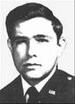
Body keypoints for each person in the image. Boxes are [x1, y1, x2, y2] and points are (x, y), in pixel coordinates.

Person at [0, 2, 74, 103]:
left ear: (60, 46)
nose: (30, 52)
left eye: (41, 40)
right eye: (21, 41)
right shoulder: (3, 96)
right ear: (11, 46)